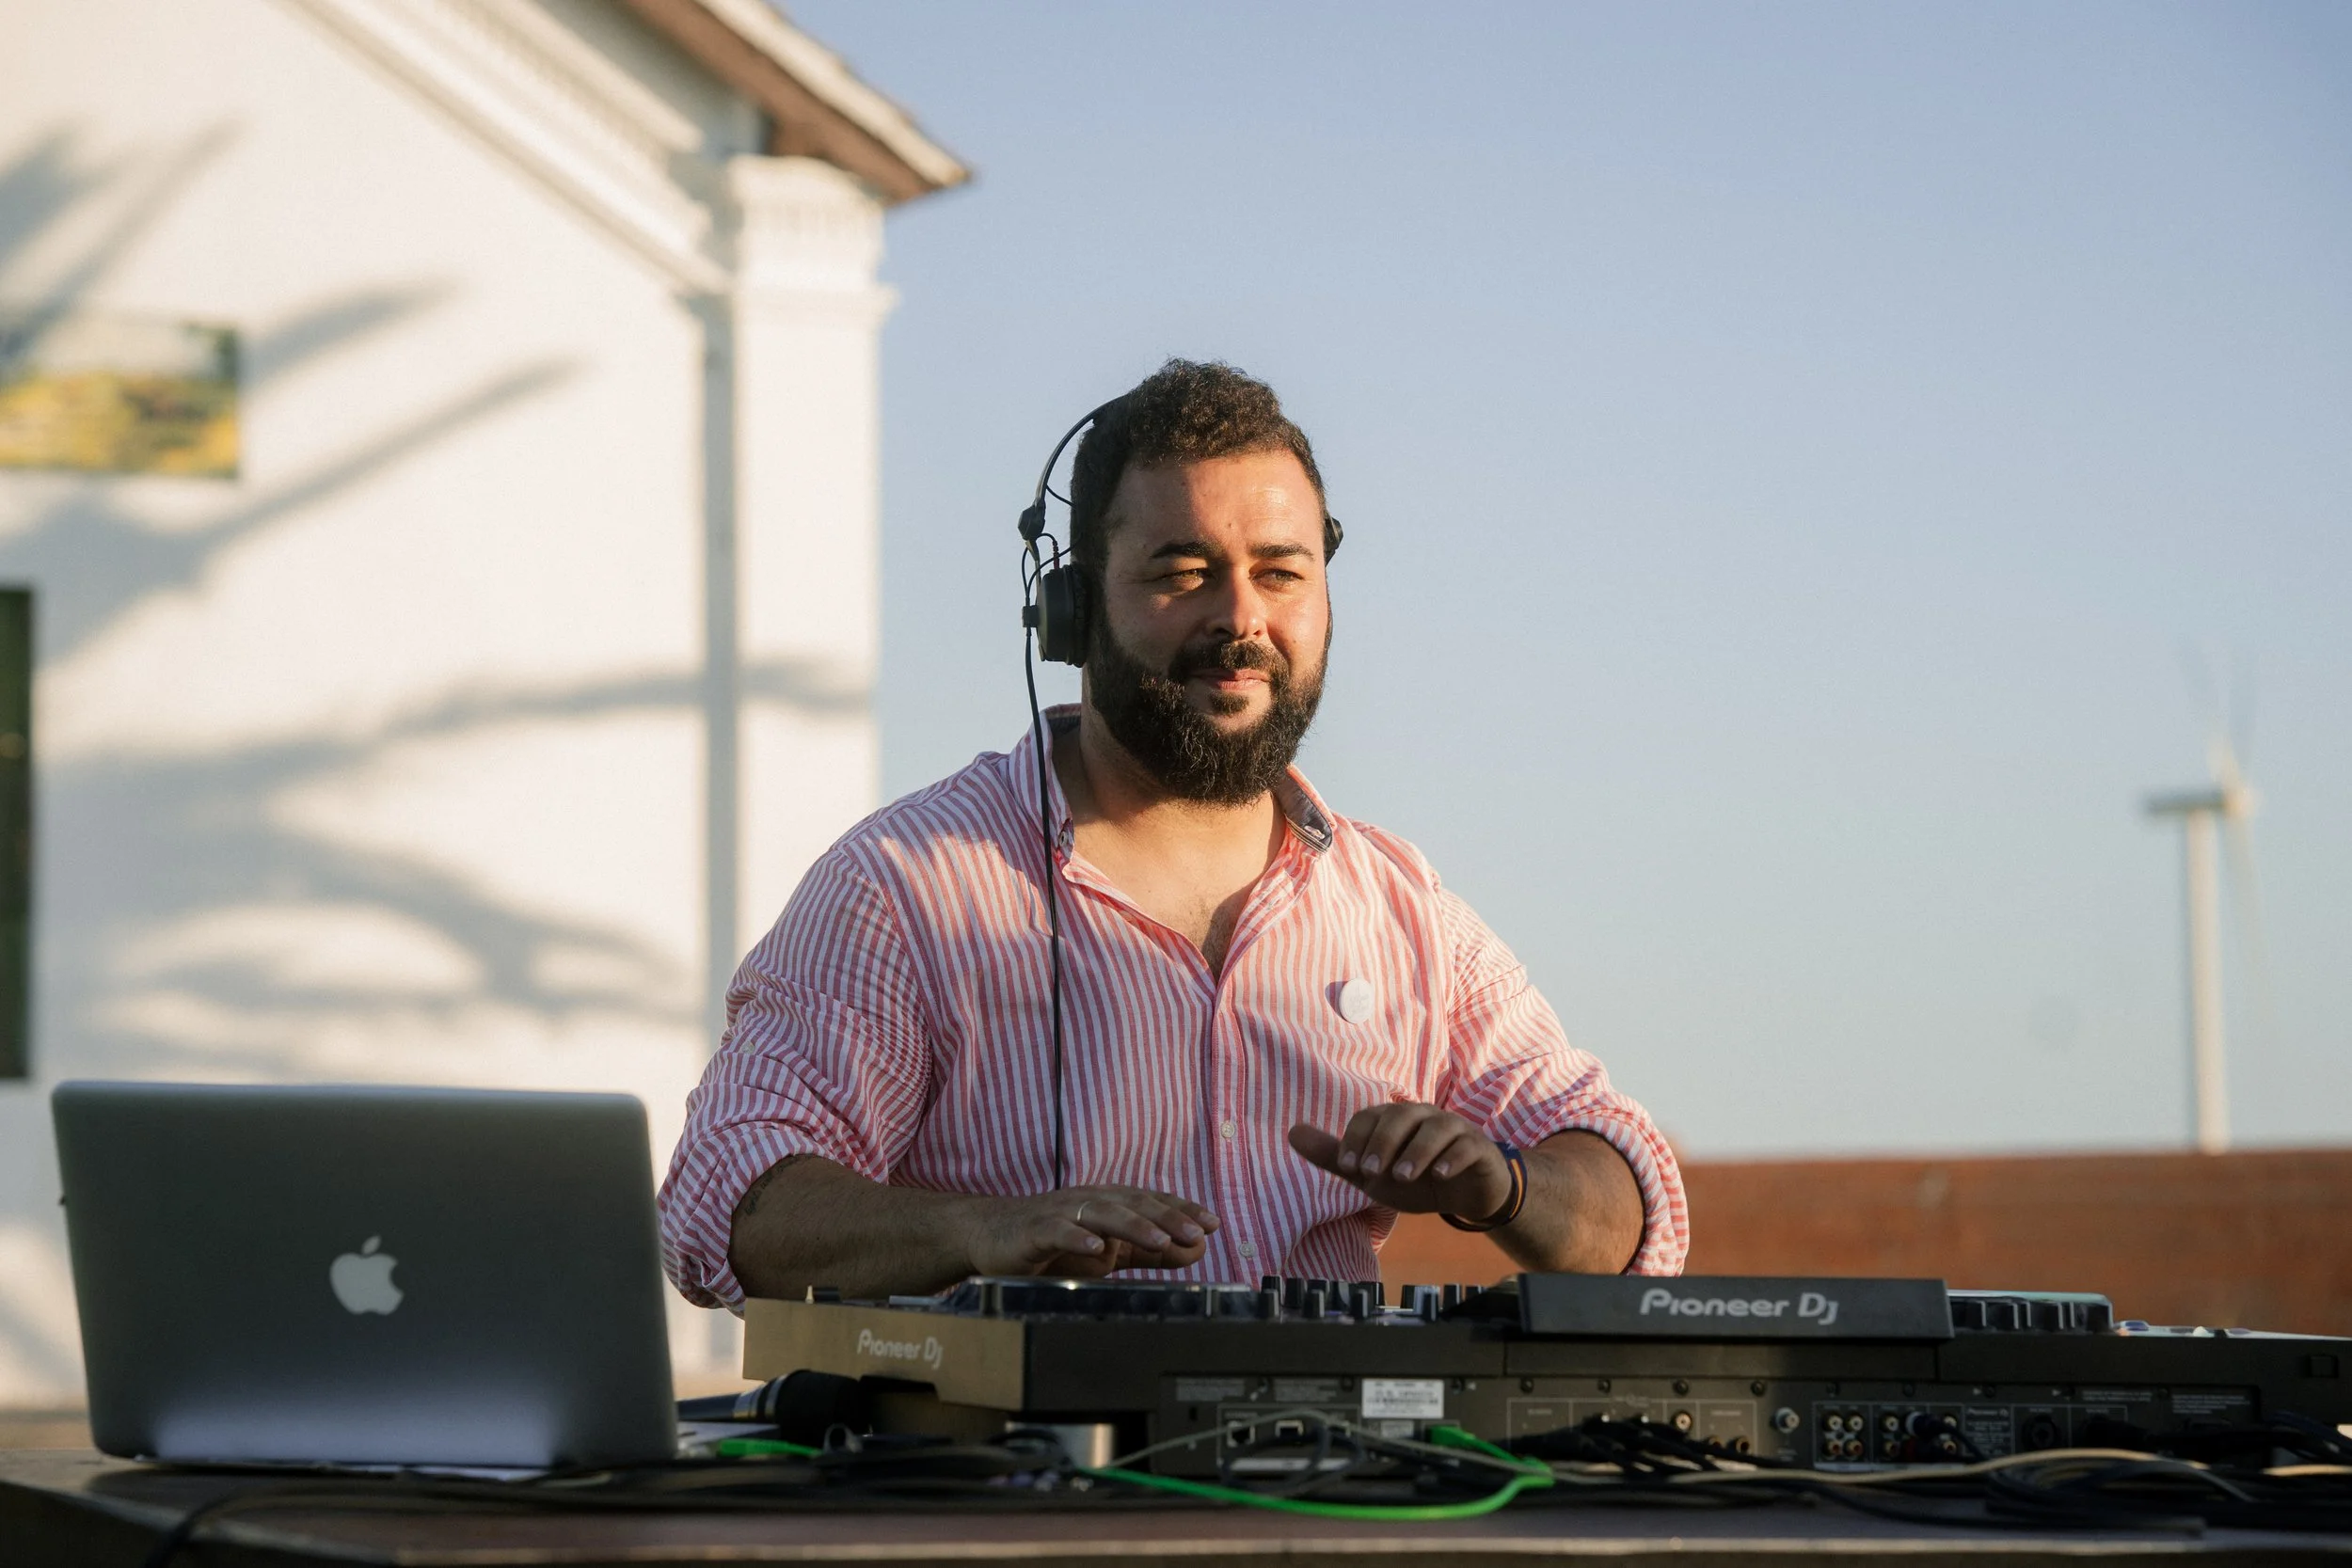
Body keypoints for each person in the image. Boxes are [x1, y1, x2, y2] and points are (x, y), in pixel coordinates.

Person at [659, 360, 1686, 1307]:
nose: (1239, 618)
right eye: (1181, 569)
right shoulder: (904, 885)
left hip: (1336, 1494)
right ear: (1070, 609)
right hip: (1019, 1495)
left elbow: (1627, 1209)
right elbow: (727, 1199)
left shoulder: (1404, 910)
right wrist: (982, 1231)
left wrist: (1503, 1184)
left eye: (1279, 572)